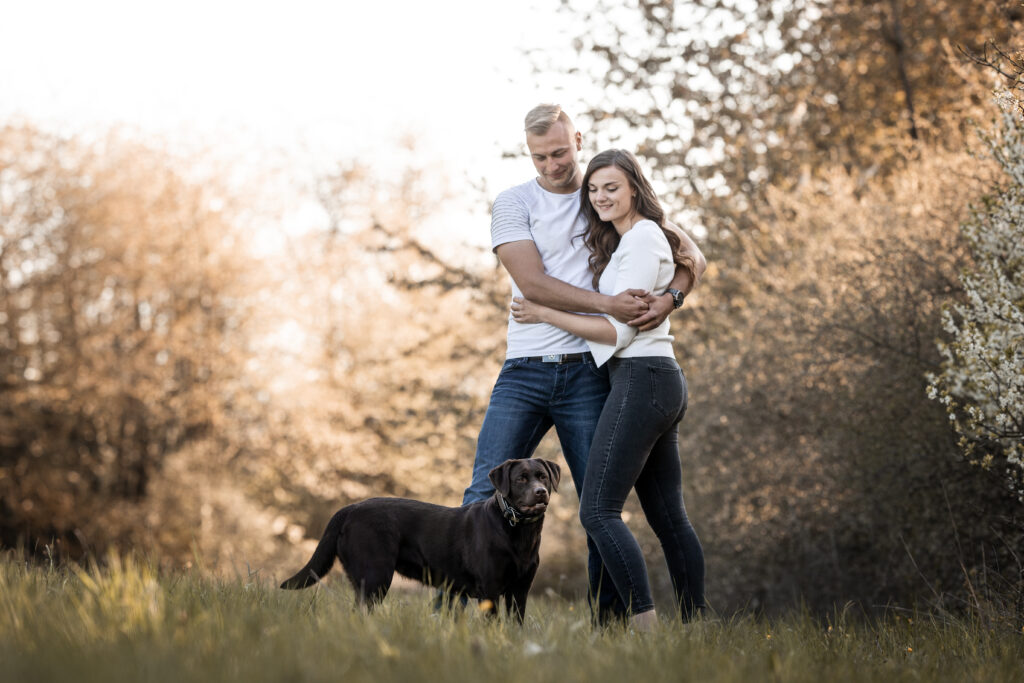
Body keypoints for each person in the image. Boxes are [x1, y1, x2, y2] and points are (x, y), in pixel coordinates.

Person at [460, 105, 705, 623]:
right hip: (524, 368)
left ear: (577, 139)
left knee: (599, 506)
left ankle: (610, 625)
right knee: (484, 488)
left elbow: (692, 256)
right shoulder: (513, 203)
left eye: (559, 152)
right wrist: (610, 306)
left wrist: (671, 300)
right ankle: (463, 611)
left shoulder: (605, 192)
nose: (551, 165)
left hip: (590, 371)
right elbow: (533, 285)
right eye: (539, 157)